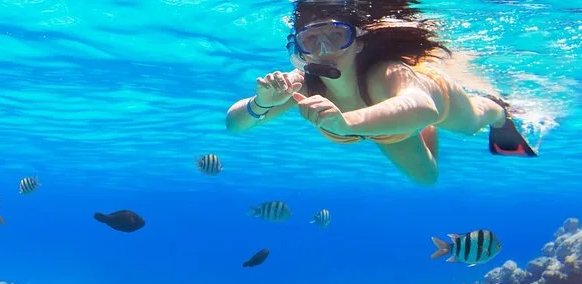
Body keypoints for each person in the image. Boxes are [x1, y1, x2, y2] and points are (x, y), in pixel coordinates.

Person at [225, 0, 538, 185]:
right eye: (311, 41)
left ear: (358, 42)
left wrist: (346, 123)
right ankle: (411, 124)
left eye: (337, 36)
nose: (324, 50)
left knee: (470, 124)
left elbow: (424, 107)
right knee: (427, 178)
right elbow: (234, 125)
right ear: (300, 50)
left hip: (431, 97)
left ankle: (498, 110)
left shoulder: (383, 73)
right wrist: (260, 104)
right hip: (388, 125)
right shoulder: (302, 85)